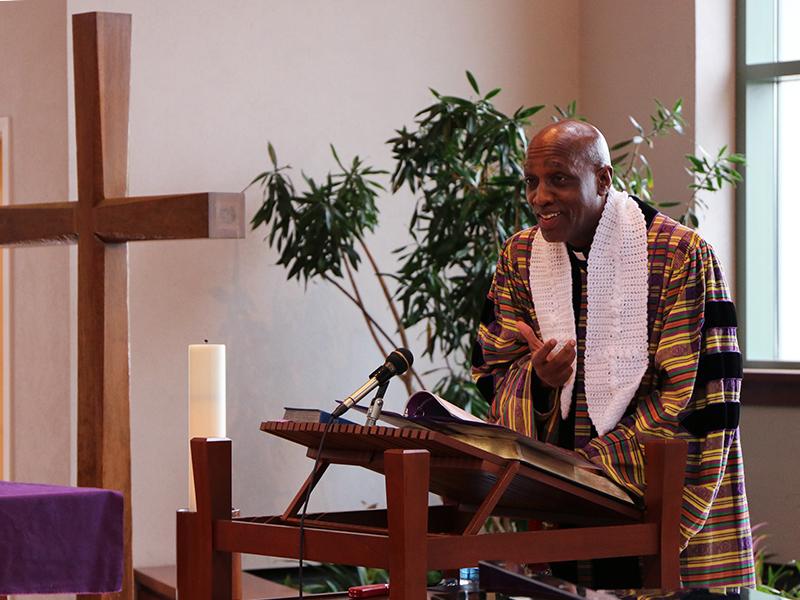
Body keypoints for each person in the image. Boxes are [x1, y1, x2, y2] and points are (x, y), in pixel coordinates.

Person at [471, 119, 755, 589]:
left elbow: (700, 392)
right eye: (532, 181)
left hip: (664, 488)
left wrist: (596, 462)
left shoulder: (679, 255)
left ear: (603, 180)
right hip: (567, 499)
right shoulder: (519, 257)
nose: (540, 196)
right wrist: (540, 380)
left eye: (558, 178)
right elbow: (493, 369)